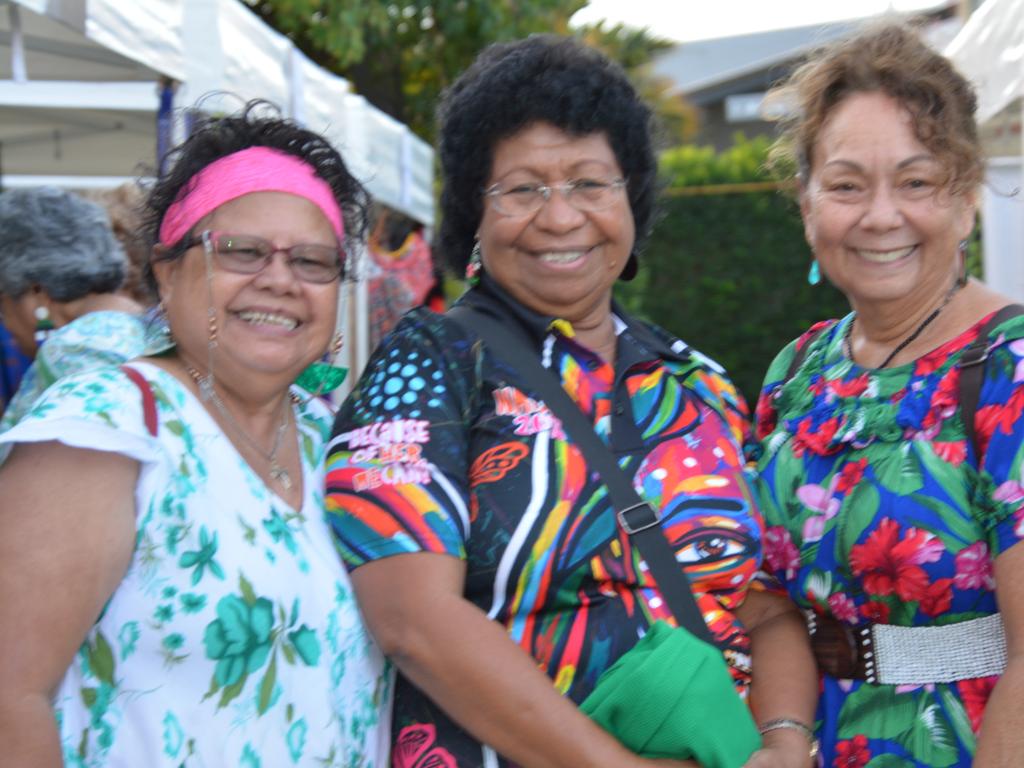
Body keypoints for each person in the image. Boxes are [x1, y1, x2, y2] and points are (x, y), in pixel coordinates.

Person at [325, 35, 817, 768]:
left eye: (590, 183)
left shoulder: (697, 383)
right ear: (474, 212)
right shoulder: (429, 364)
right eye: (523, 189)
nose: (560, 219)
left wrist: (782, 743)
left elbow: (769, 605)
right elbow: (410, 620)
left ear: (632, 196)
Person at [0, 103, 389, 766]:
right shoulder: (105, 429)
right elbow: (10, 698)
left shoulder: (337, 441)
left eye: (313, 262)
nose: (279, 280)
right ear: (167, 269)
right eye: (241, 251)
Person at [753, 24, 1024, 767]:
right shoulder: (799, 372)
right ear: (806, 203)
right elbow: (773, 600)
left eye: (916, 181)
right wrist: (782, 741)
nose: (879, 216)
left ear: (966, 198)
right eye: (845, 184)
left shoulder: (1010, 368)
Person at [0, 187, 146, 430]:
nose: (5, 324)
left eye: (2, 304)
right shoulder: (157, 326)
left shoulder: (70, 354)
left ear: (38, 292)